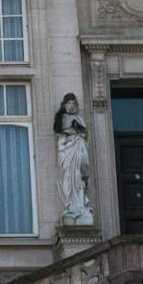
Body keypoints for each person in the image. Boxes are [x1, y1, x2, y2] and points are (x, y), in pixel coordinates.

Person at [55, 94, 94, 226]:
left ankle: (80, 206)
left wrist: (78, 129)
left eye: (73, 104)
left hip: (78, 146)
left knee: (78, 175)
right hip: (67, 148)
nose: (71, 106)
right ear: (64, 105)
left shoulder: (79, 118)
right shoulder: (61, 117)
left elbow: (85, 134)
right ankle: (71, 205)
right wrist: (69, 133)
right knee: (68, 175)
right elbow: (58, 131)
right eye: (69, 104)